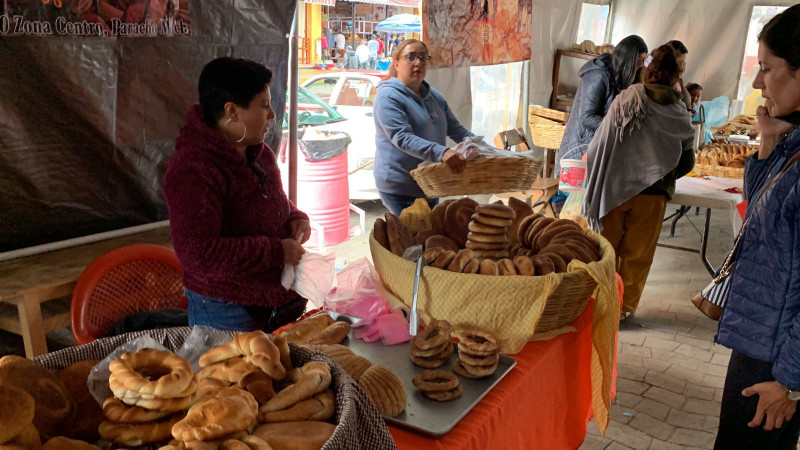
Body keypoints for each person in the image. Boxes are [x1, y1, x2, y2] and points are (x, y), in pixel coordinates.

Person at [163, 57, 310, 332]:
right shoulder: (193, 170)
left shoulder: (259, 153)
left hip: (275, 300)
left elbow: (273, 202)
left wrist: (294, 216)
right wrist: (276, 252)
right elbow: (199, 254)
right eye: (263, 106)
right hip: (226, 309)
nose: (272, 115)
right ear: (232, 111)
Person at [714, 6, 800, 448]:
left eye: (766, 69)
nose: (756, 82)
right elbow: (760, 208)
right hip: (759, 339)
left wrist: (790, 382)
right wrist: (769, 141)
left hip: (778, 364)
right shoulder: (795, 142)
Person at [582, 45, 695, 319]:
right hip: (653, 195)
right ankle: (623, 309)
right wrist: (661, 174)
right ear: (676, 76)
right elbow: (687, 161)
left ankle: (599, 302)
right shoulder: (681, 110)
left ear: (648, 69)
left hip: (614, 187)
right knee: (638, 255)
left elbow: (601, 143)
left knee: (605, 248)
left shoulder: (628, 98)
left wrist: (598, 174)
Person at [372, 39, 471, 215]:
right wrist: (443, 153)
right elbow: (402, 137)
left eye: (423, 58)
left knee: (431, 237)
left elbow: (457, 131)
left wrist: (483, 148)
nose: (417, 62)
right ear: (397, 63)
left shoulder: (434, 97)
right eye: (410, 57)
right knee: (413, 238)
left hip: (430, 182)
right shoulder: (388, 97)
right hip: (400, 186)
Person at [555, 35, 648, 175]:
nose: (641, 65)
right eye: (639, 60)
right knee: (573, 195)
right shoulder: (598, 74)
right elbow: (586, 116)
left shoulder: (617, 76)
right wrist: (618, 128)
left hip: (595, 147)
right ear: (628, 58)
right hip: (581, 147)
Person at [667, 40, 692, 112]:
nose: (683, 67)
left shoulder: (678, 80)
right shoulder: (663, 84)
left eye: (684, 62)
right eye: (680, 62)